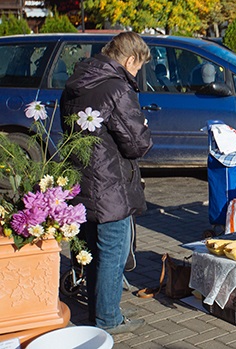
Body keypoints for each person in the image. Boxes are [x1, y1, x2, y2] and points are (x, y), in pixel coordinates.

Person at [60, 32, 153, 334]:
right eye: (138, 68)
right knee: (111, 253)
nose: (136, 73)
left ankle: (98, 310)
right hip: (110, 185)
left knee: (94, 252)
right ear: (130, 60)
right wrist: (145, 129)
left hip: (82, 181)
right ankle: (108, 319)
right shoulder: (116, 88)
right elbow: (136, 144)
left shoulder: (77, 83)